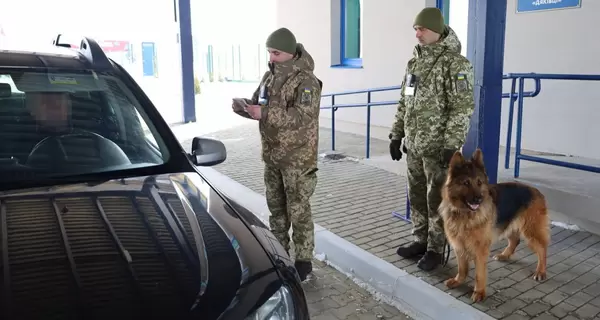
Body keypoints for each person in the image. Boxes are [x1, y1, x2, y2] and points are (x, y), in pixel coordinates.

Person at [232, 27, 323, 281]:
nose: (271, 57)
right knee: (276, 210)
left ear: (290, 53)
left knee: (299, 210)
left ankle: (304, 260)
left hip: (297, 158)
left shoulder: (306, 81)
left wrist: (265, 113)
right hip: (272, 156)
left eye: (276, 53)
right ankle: (279, 253)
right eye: (269, 52)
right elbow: (258, 104)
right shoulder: (269, 77)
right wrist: (244, 107)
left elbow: (304, 117)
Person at [389, 8, 475, 271]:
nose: (418, 33)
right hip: (414, 145)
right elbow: (405, 102)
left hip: (438, 148)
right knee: (415, 195)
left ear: (437, 30)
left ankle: (437, 249)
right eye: (416, 29)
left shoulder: (455, 64)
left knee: (437, 199)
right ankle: (420, 239)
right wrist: (396, 134)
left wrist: (452, 144)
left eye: (422, 29)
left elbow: (462, 107)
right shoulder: (414, 64)